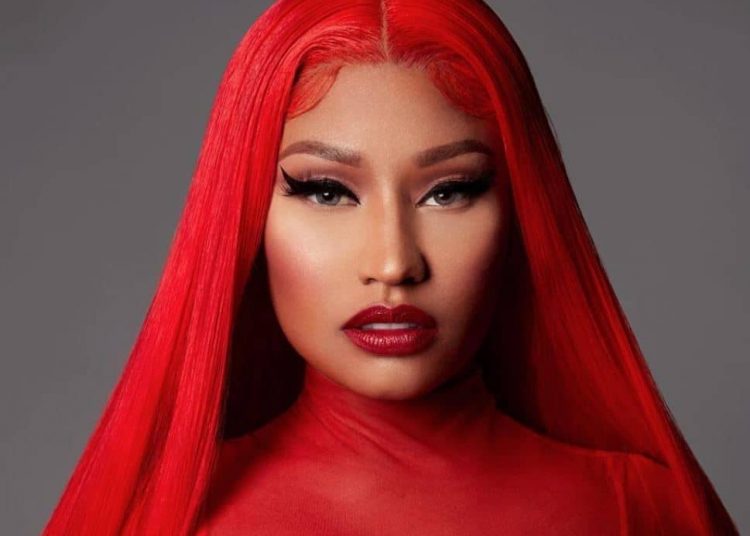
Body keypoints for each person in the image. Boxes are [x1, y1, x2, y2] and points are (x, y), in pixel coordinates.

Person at [43, 0, 738, 534]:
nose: (394, 263)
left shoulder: (640, 512)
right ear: (245, 215)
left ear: (523, 210)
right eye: (326, 191)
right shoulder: (165, 521)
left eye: (450, 191)